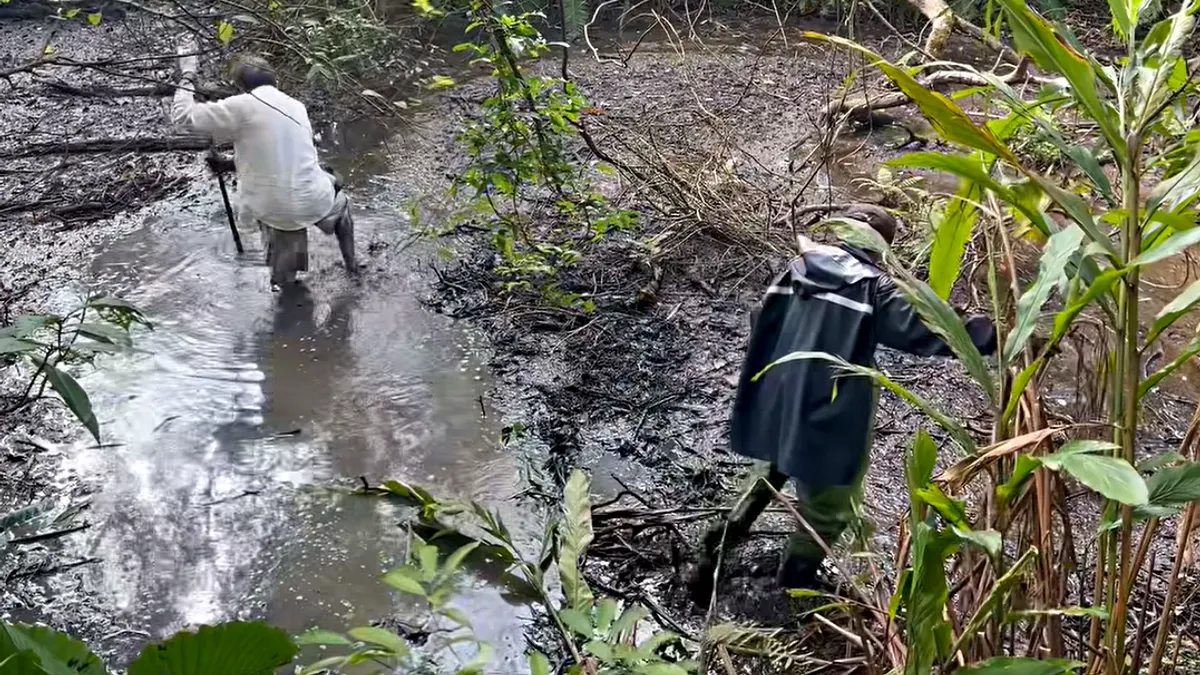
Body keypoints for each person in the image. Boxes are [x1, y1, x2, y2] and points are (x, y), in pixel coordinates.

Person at [687, 204, 997, 602]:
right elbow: (934, 330)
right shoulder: (874, 288)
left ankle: (709, 552)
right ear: (882, 247)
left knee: (767, 474)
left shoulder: (797, 267)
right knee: (828, 509)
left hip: (779, 394)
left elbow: (760, 320)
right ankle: (795, 584)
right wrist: (997, 335)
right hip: (826, 413)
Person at [172, 48, 356, 288]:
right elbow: (285, 156)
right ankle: (352, 266)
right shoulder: (295, 106)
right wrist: (228, 165)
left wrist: (187, 75)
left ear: (240, 87)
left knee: (285, 280)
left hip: (274, 208)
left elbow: (182, 118)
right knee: (342, 207)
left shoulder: (240, 105)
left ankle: (284, 298)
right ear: (276, 81)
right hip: (313, 196)